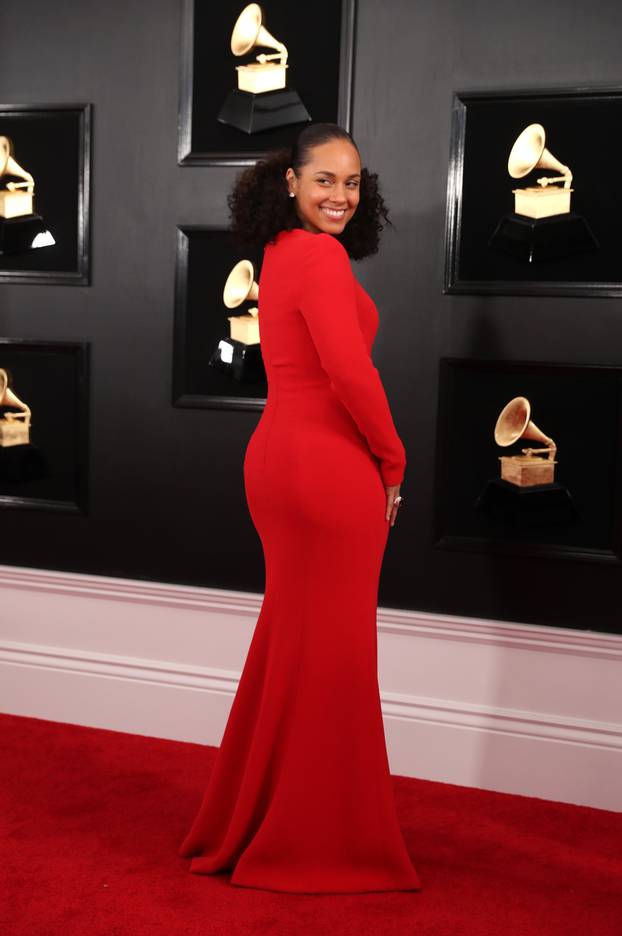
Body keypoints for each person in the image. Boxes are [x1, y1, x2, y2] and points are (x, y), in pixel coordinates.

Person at [178, 122, 421, 895]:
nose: (341, 196)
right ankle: (316, 838)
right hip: (327, 468)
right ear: (290, 180)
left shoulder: (279, 252)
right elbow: (351, 374)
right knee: (336, 656)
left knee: (296, 645)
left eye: (352, 183)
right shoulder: (316, 254)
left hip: (279, 459)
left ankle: (255, 818)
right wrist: (393, 458)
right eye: (325, 180)